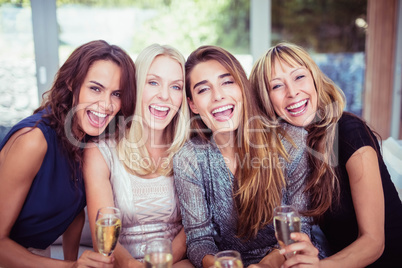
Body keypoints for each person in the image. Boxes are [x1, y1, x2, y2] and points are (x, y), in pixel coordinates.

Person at [249, 42, 402, 268]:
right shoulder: (286, 148)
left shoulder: (349, 132)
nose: (292, 92)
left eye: (299, 77)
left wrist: (319, 267)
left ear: (314, 79)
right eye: (277, 86)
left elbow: (374, 242)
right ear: (265, 99)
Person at [173, 45, 323, 268]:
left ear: (243, 87)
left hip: (286, 259)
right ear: (193, 104)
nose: (218, 96)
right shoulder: (189, 158)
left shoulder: (290, 142)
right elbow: (198, 240)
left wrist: (265, 265)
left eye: (227, 82)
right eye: (204, 89)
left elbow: (299, 227)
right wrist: (221, 265)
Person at [0, 40, 136, 267]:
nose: (106, 104)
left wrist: (73, 260)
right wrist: (70, 266)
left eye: (117, 93)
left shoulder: (88, 138)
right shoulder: (33, 141)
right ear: (72, 83)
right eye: (96, 88)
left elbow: (73, 212)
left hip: (35, 255)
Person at [84, 44, 191, 268]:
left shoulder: (189, 149)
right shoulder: (101, 152)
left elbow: (195, 226)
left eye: (176, 87)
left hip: (176, 262)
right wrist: (134, 265)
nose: (164, 95)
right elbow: (101, 236)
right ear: (135, 86)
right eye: (153, 82)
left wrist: (161, 262)